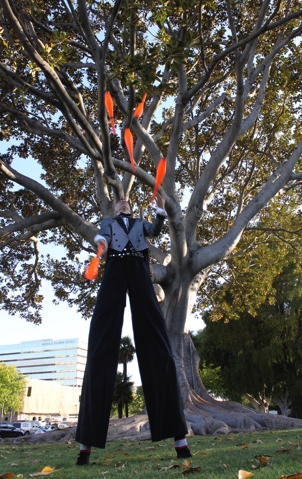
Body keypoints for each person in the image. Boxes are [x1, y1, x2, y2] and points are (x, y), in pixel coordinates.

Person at [75, 192, 191, 465]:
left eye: (126, 202)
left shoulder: (141, 223)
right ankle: (85, 446)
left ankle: (179, 439)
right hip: (114, 269)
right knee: (100, 342)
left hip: (139, 270)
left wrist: (161, 211)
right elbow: (102, 235)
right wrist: (100, 243)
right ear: (115, 209)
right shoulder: (108, 223)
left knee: (158, 343)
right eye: (119, 203)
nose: (123, 202)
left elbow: (154, 230)